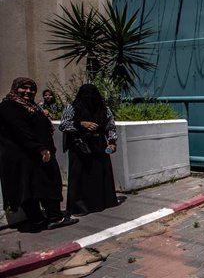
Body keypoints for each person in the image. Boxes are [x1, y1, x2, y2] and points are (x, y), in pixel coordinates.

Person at [0, 77, 78, 230]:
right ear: (15, 88)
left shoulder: (30, 106)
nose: (28, 91)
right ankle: (50, 218)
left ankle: (45, 218)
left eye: (32, 89)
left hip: (35, 155)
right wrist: (40, 148)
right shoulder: (9, 106)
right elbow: (20, 130)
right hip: (27, 156)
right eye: (24, 88)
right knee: (34, 187)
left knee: (41, 186)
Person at [59, 84, 119, 216]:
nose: (89, 98)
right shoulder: (72, 107)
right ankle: (80, 207)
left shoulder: (104, 109)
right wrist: (80, 124)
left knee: (100, 175)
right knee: (79, 176)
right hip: (80, 146)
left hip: (99, 145)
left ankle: (103, 202)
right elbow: (63, 125)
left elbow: (110, 126)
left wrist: (112, 142)